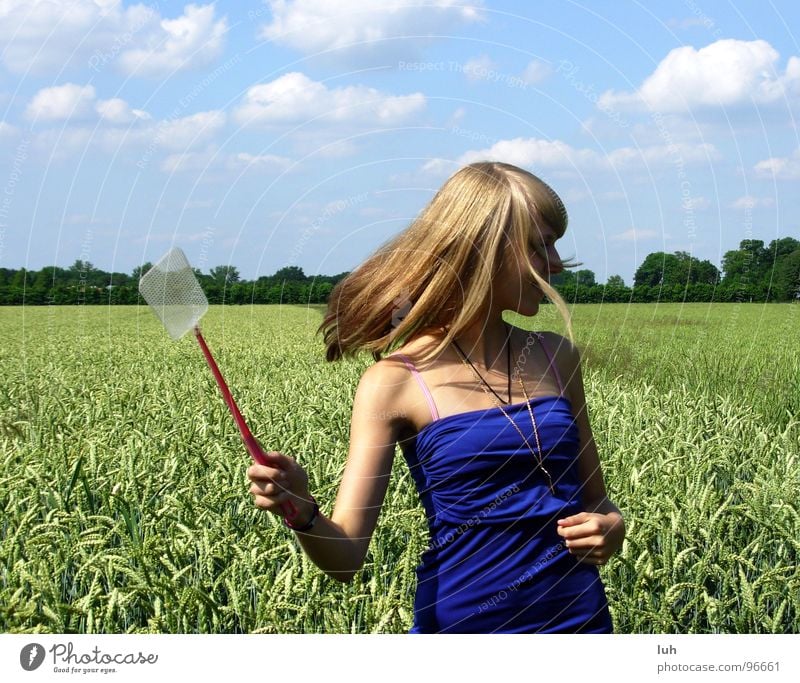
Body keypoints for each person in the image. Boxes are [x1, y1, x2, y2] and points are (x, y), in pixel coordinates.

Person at [247, 161, 626, 633]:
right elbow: (345, 557)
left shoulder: (556, 357)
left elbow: (599, 502)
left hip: (580, 624)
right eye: (539, 244)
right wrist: (301, 509)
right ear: (482, 248)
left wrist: (612, 528)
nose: (554, 263)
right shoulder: (397, 381)